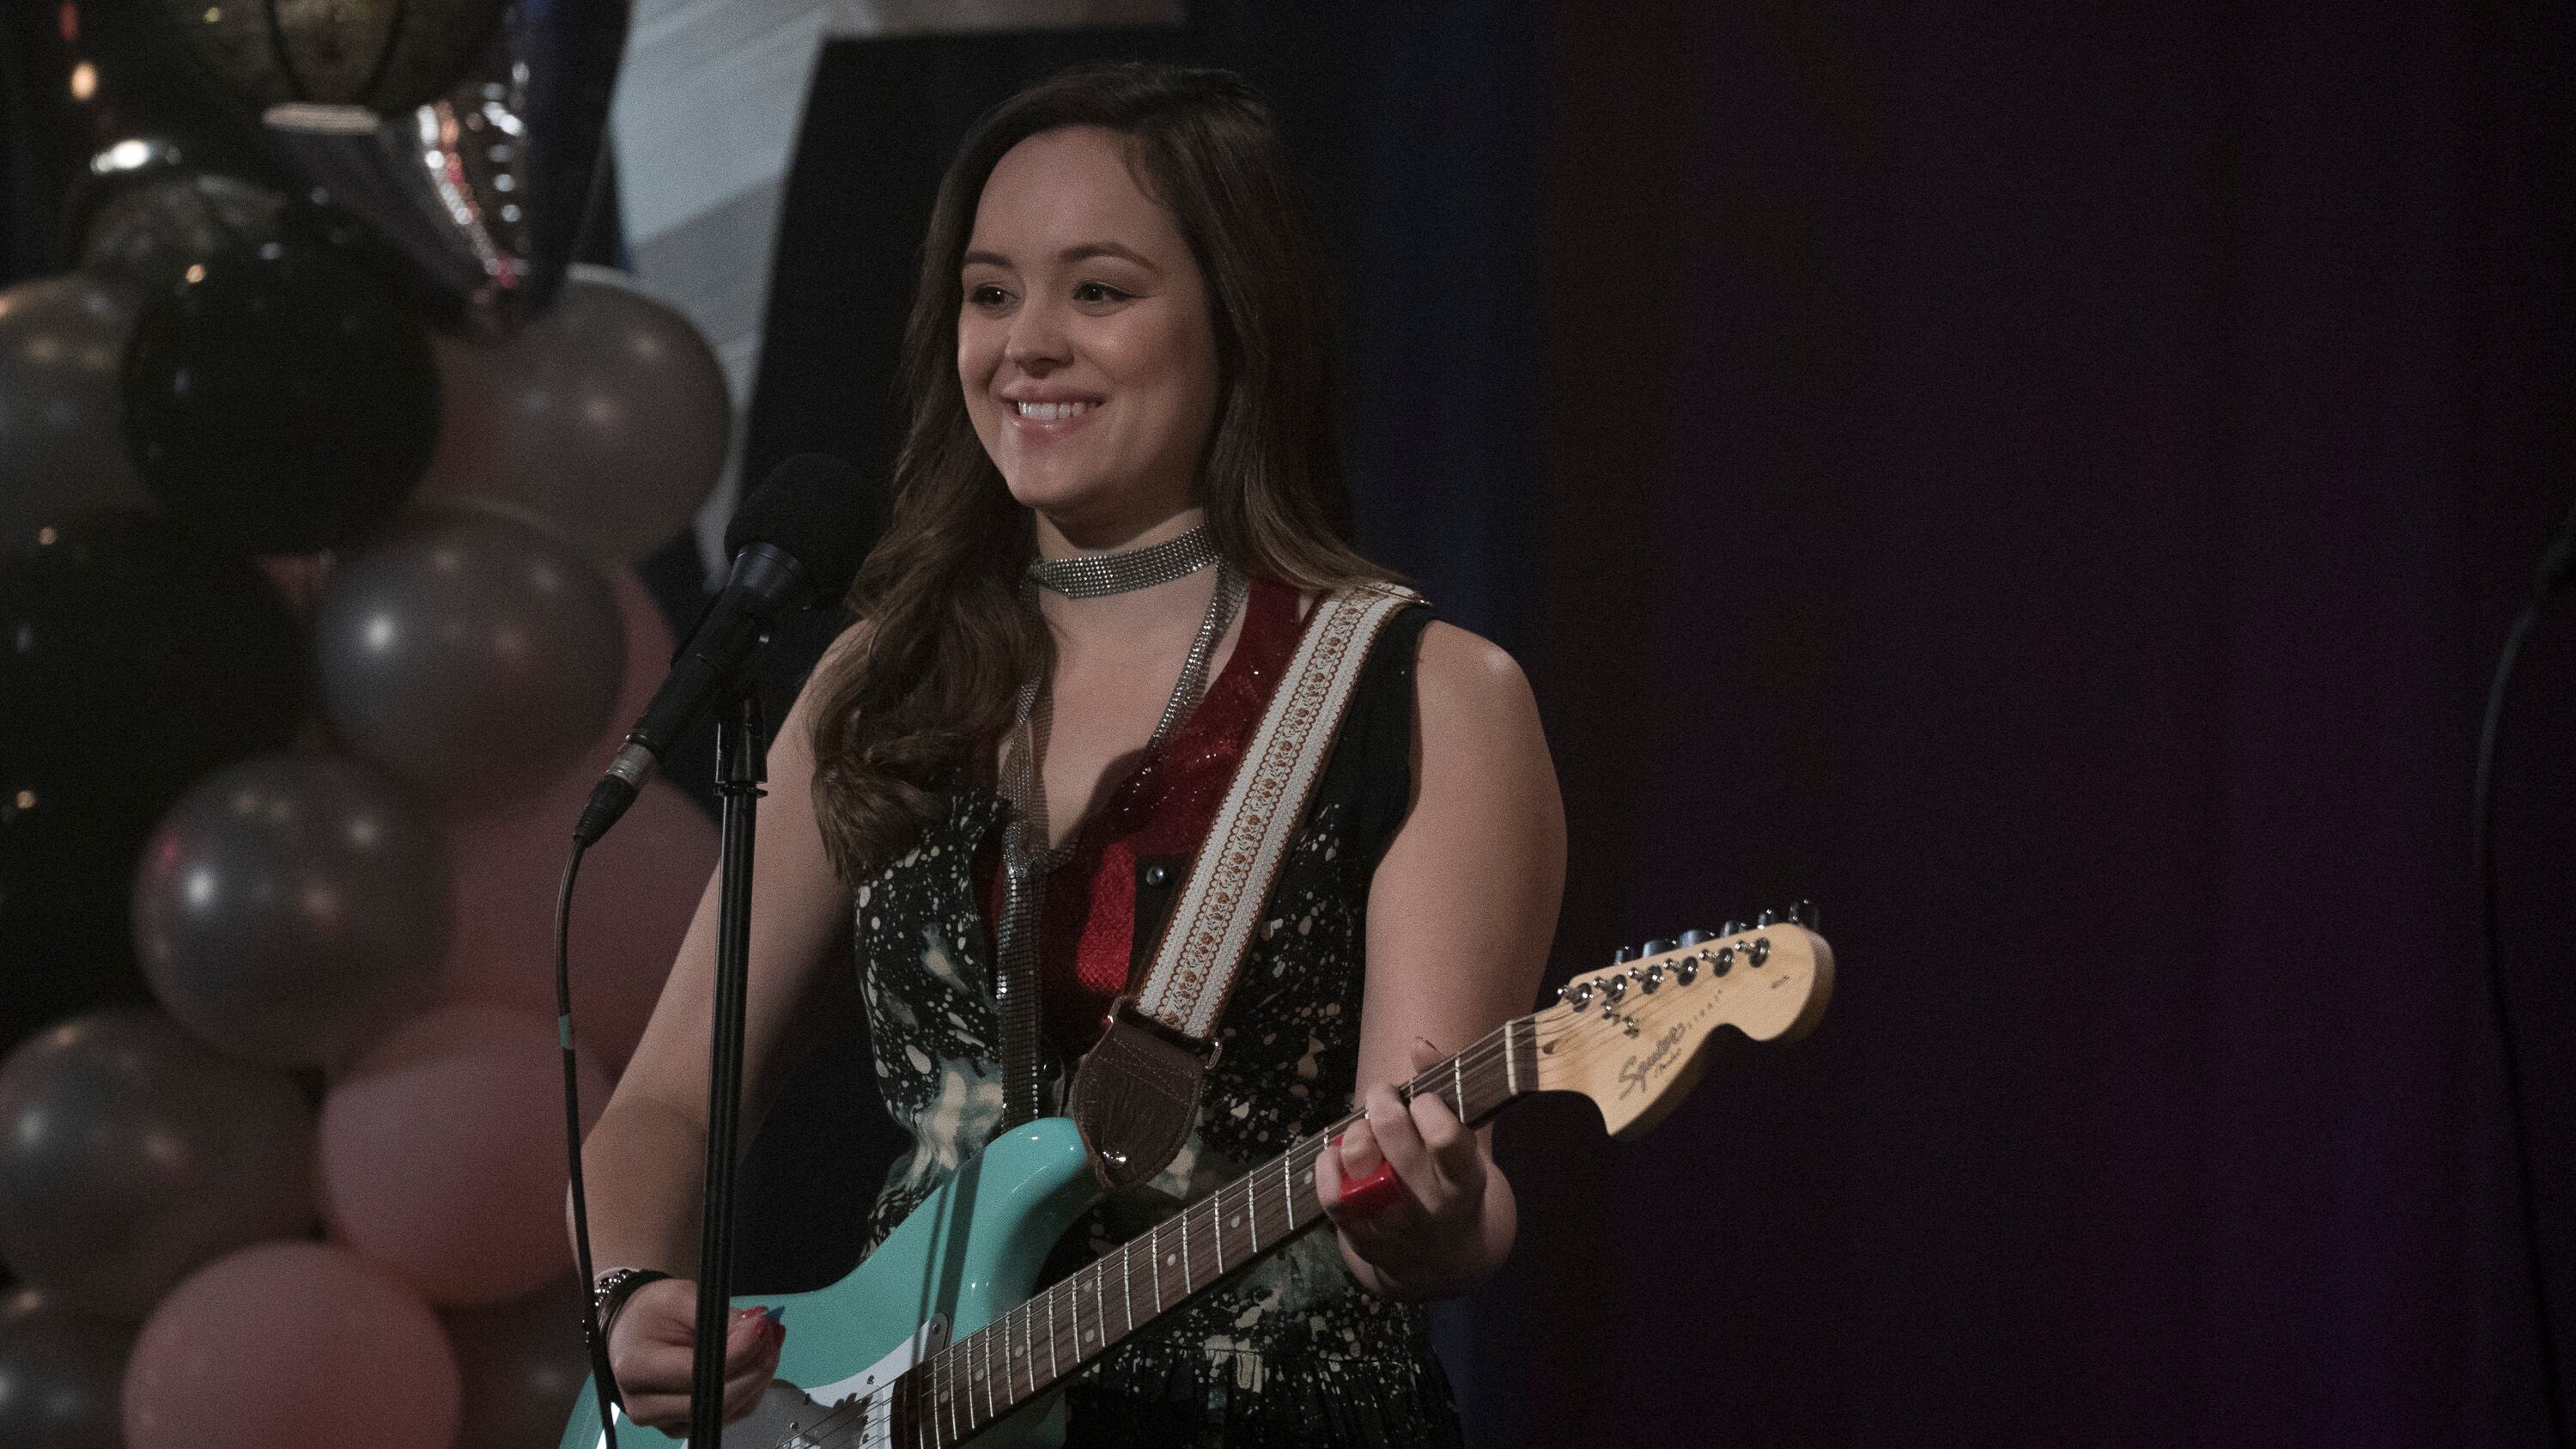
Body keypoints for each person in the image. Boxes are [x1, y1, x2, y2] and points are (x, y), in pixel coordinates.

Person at [580, 60, 1564, 1446]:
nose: (1026, 345)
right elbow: (668, 1103)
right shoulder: (882, 680)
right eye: (990, 295)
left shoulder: (1426, 694)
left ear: (1239, 319)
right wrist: (627, 1297)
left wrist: (1435, 1220)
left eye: (1098, 292)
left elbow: (1447, 1184)